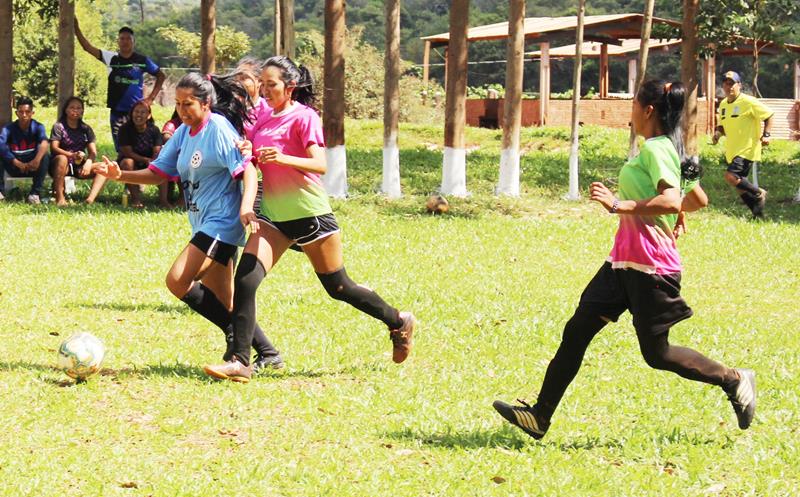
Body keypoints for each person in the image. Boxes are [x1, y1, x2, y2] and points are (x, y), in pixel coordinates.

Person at [493, 80, 756, 440]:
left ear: (648, 110)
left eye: (633, 102)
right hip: (622, 263)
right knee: (577, 332)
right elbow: (696, 201)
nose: (631, 109)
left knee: (657, 354)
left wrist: (620, 204)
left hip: (650, 267)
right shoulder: (663, 149)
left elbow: (670, 200)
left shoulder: (658, 149)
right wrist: (677, 206)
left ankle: (734, 379)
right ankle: (540, 416)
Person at [203, 56, 416, 383]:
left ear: (289, 87)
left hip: (310, 216)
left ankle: (398, 321)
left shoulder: (304, 117)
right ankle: (240, 362)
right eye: (263, 84)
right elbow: (255, 155)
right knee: (245, 281)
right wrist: (249, 150)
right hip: (273, 217)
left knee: (339, 287)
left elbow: (321, 165)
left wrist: (283, 157)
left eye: (271, 84)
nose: (266, 89)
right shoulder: (263, 119)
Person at [93, 72, 283, 374]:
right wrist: (120, 175)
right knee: (225, 301)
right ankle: (268, 352)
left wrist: (246, 207)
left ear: (206, 103)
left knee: (178, 280)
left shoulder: (218, 129)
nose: (182, 110)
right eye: (178, 104)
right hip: (203, 222)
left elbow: (246, 171)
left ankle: (235, 338)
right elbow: (158, 173)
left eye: (188, 104)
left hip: (222, 223)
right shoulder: (184, 132)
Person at [74, 20, 166, 152]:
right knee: (122, 149)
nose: (125, 41)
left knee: (141, 146)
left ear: (133, 42)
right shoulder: (111, 58)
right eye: (122, 38)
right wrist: (76, 28)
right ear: (118, 41)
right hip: (117, 112)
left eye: (128, 38)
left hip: (138, 112)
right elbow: (87, 48)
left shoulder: (142, 60)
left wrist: (151, 98)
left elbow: (161, 75)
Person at [711, 71, 773, 218]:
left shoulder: (748, 101)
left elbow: (769, 115)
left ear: (739, 85)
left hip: (747, 148)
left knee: (730, 176)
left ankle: (759, 192)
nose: (728, 86)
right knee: (740, 186)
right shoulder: (724, 104)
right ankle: (758, 215)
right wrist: (717, 135)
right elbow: (722, 126)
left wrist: (767, 135)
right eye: (726, 83)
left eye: (732, 83)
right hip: (732, 150)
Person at [50, 96, 106, 206]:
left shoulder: (86, 129)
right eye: (72, 107)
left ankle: (89, 200)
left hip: (79, 164)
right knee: (62, 159)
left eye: (78, 108)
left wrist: (89, 162)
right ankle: (60, 199)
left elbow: (93, 151)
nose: (75, 110)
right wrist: (71, 155)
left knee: (105, 167)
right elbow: (54, 147)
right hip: (60, 165)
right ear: (66, 110)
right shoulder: (59, 126)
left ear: (82, 111)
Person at [117, 100, 167, 208]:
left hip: (150, 160)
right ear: (131, 113)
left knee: (162, 164)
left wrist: (153, 160)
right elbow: (127, 152)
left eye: (143, 112)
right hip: (131, 160)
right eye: (136, 112)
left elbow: (157, 149)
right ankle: (136, 200)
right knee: (127, 162)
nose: (139, 115)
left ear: (149, 115)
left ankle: (164, 201)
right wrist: (145, 160)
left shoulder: (154, 130)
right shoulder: (124, 129)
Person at [0, 96, 49, 204]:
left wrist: (36, 160)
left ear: (32, 113)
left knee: (45, 156)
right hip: (14, 165)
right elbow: (1, 145)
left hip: (33, 166)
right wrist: (17, 162)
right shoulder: (9, 128)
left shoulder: (38, 126)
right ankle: (1, 193)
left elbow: (44, 142)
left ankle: (34, 194)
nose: (24, 115)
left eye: (27, 112)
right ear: (16, 113)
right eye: (21, 112)